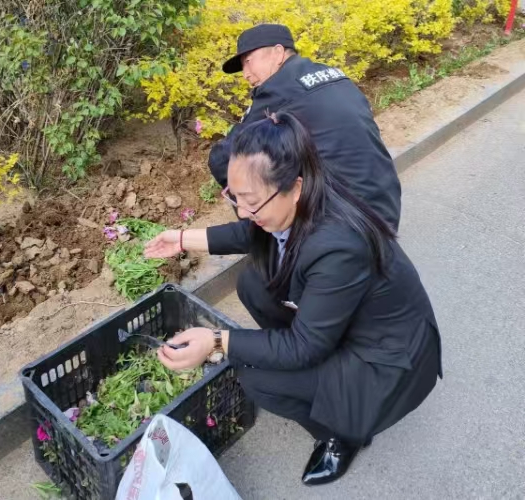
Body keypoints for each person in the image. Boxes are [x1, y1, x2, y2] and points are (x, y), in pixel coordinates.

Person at [145, 111, 442, 485]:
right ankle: (312, 369)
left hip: (386, 354)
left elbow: (304, 347)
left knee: (258, 380)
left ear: (294, 188)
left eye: (250, 201)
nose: (243, 211)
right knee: (253, 283)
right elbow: (251, 231)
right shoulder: (301, 195)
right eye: (234, 197)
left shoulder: (336, 248)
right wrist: (181, 239)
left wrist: (215, 341)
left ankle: (343, 433)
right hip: (347, 322)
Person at [208, 24, 402, 230]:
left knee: (227, 159)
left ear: (278, 53)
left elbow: (226, 155)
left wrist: (251, 211)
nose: (246, 74)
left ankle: (263, 241)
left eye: (248, 62)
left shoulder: (278, 87)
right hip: (386, 202)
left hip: (344, 221)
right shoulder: (333, 74)